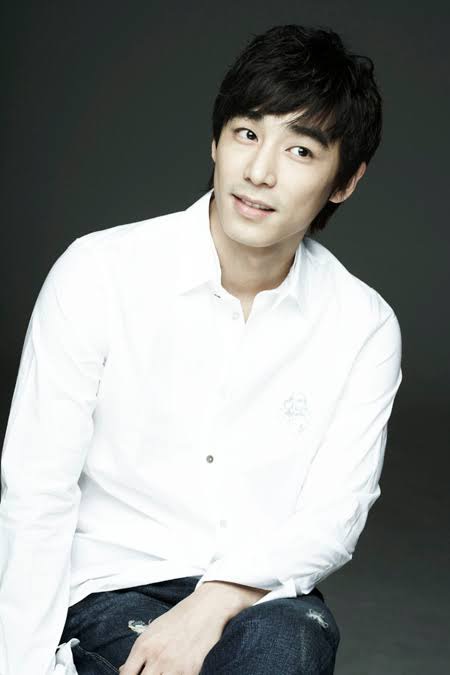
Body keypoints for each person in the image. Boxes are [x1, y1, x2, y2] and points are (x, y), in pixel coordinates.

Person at [0, 23, 403, 675]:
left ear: (344, 181)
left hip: (263, 601)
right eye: (247, 133)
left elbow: (334, 514)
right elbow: (37, 492)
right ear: (216, 140)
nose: (260, 172)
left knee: (288, 648)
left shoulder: (362, 324)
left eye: (301, 150)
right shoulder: (98, 273)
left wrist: (214, 600)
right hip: (108, 590)